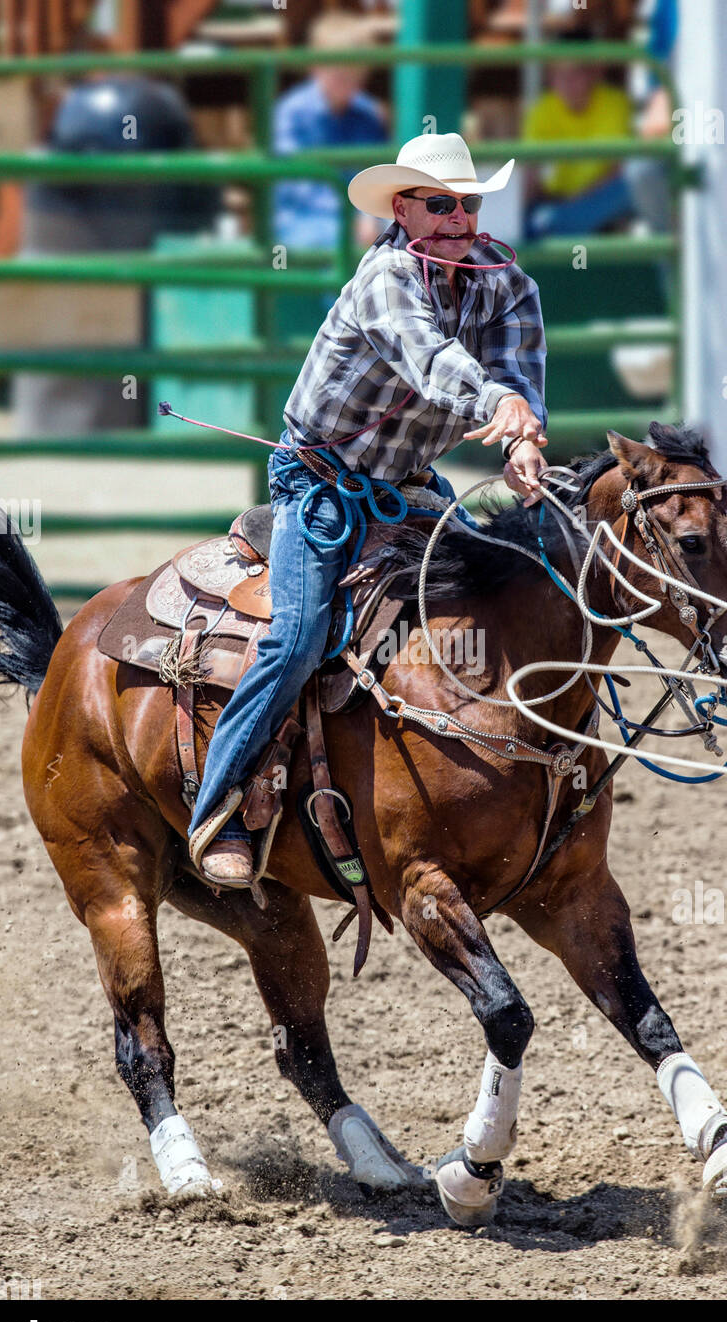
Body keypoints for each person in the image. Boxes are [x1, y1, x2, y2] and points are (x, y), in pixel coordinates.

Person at [191, 131, 549, 884]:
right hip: (319, 485)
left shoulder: (508, 283)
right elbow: (431, 360)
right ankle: (217, 807)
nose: (458, 215)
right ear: (403, 208)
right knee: (293, 640)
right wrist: (498, 402)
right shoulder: (386, 278)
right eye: (440, 203)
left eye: (468, 201)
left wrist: (523, 439)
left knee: (509, 596)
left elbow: (519, 370)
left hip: (411, 484)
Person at [272, 12, 389, 251]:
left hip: (358, 221)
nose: (348, 81)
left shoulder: (367, 114)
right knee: (339, 247)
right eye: (339, 72)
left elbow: (377, 176)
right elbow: (297, 186)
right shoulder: (291, 113)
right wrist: (353, 218)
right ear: (316, 66)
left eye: (356, 73)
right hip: (301, 220)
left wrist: (367, 215)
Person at [522, 39, 634, 239]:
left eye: (575, 73)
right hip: (557, 203)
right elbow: (532, 176)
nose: (567, 82)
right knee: (531, 221)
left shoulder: (615, 103)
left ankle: (552, 228)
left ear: (592, 75)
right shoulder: (541, 111)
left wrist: (575, 206)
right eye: (559, 74)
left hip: (599, 200)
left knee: (628, 184)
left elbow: (617, 168)